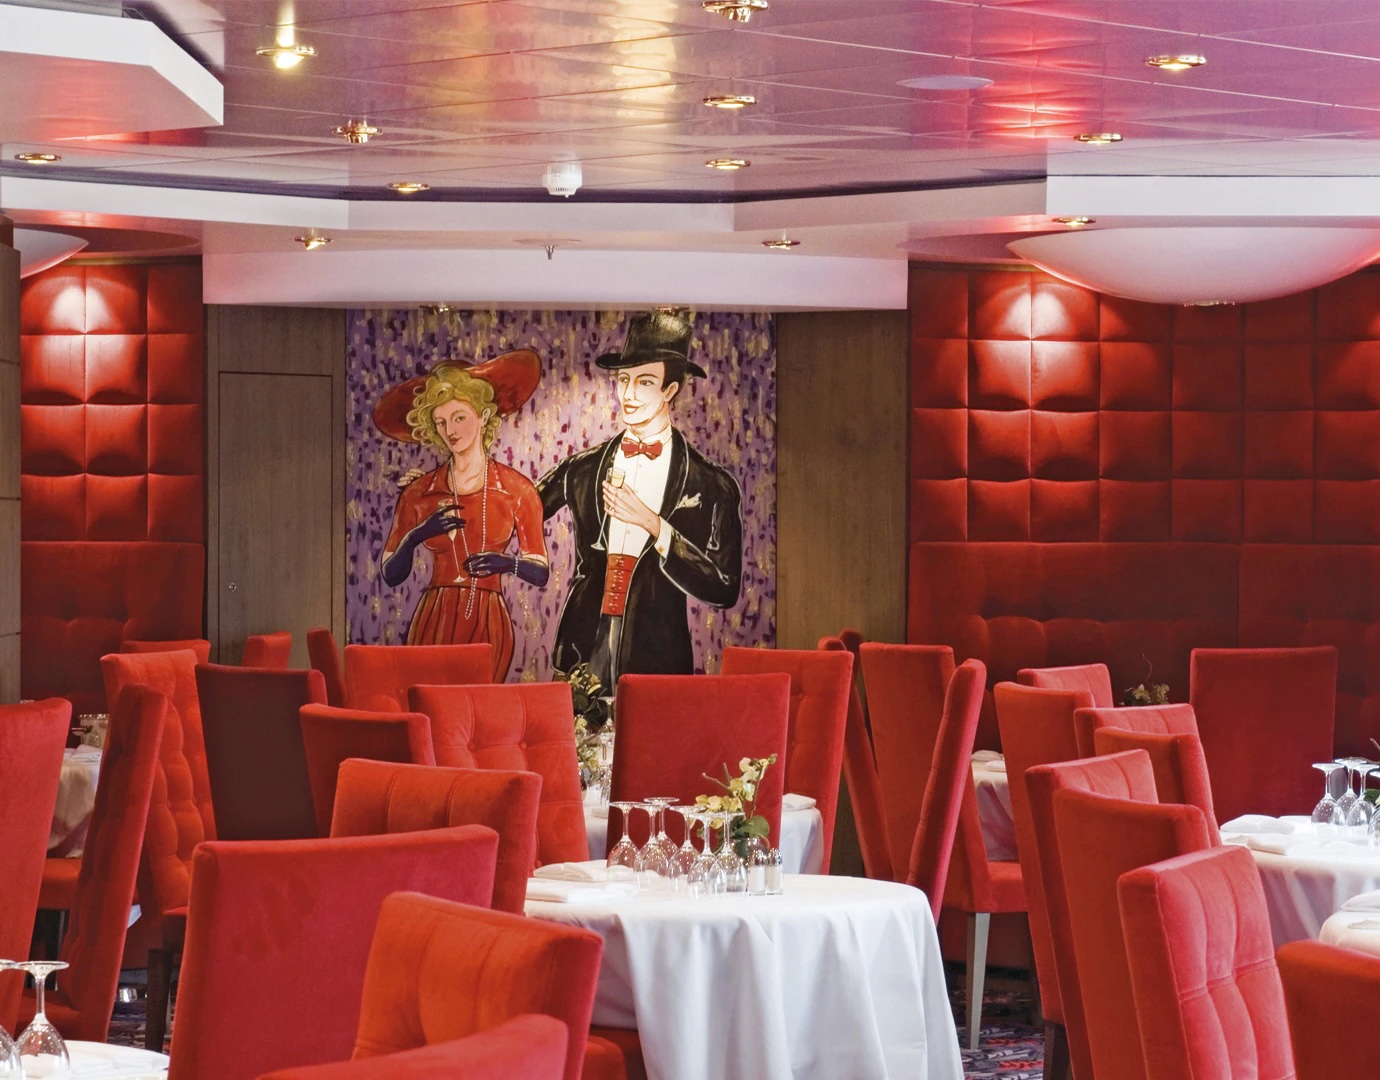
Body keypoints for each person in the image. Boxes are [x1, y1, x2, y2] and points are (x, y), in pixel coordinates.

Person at [538, 311, 743, 686]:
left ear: (670, 390)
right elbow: (523, 508)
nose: (629, 395)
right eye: (623, 380)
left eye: (645, 382)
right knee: (572, 727)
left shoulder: (712, 484)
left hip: (656, 652)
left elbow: (725, 588)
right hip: (582, 646)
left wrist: (654, 524)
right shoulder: (582, 468)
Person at [374, 350, 547, 682]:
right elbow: (391, 573)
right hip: (434, 617)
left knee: (480, 704)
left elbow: (540, 571)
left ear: (483, 416)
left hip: (489, 619)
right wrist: (417, 536)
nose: (449, 430)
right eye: (440, 422)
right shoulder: (419, 492)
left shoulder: (517, 489)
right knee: (429, 701)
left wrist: (506, 563)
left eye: (459, 418)